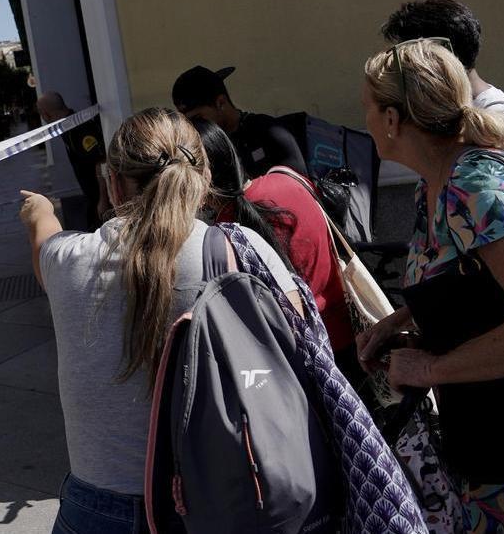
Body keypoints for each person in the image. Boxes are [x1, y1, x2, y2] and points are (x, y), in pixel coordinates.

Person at [19, 107, 305, 533]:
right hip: (214, 500)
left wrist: (39, 210)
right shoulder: (237, 250)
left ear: (113, 184)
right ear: (203, 176)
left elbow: (44, 235)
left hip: (95, 510)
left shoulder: (65, 261)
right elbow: (297, 342)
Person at [355, 39, 504, 531]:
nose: (368, 123)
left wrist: (429, 367)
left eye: (370, 110)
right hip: (496, 456)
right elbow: (483, 299)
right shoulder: (435, 186)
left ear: (395, 119)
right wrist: (405, 325)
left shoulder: (475, 185)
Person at [190, 117, 355, 358]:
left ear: (200, 177)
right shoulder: (288, 179)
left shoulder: (223, 236)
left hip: (301, 356)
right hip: (346, 334)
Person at [382, 0, 504, 197]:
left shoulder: (500, 123)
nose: (401, 73)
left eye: (406, 60)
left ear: (438, 58)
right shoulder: (459, 117)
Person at [171, 64, 307, 178]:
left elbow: (300, 189)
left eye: (198, 118)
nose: (194, 127)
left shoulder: (268, 132)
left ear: (221, 103)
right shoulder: (199, 151)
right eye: (187, 122)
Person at [36, 91, 110, 229]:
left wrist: (103, 200)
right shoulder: (69, 125)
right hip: (93, 197)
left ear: (45, 114)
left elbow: (101, 161)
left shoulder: (79, 129)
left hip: (101, 198)